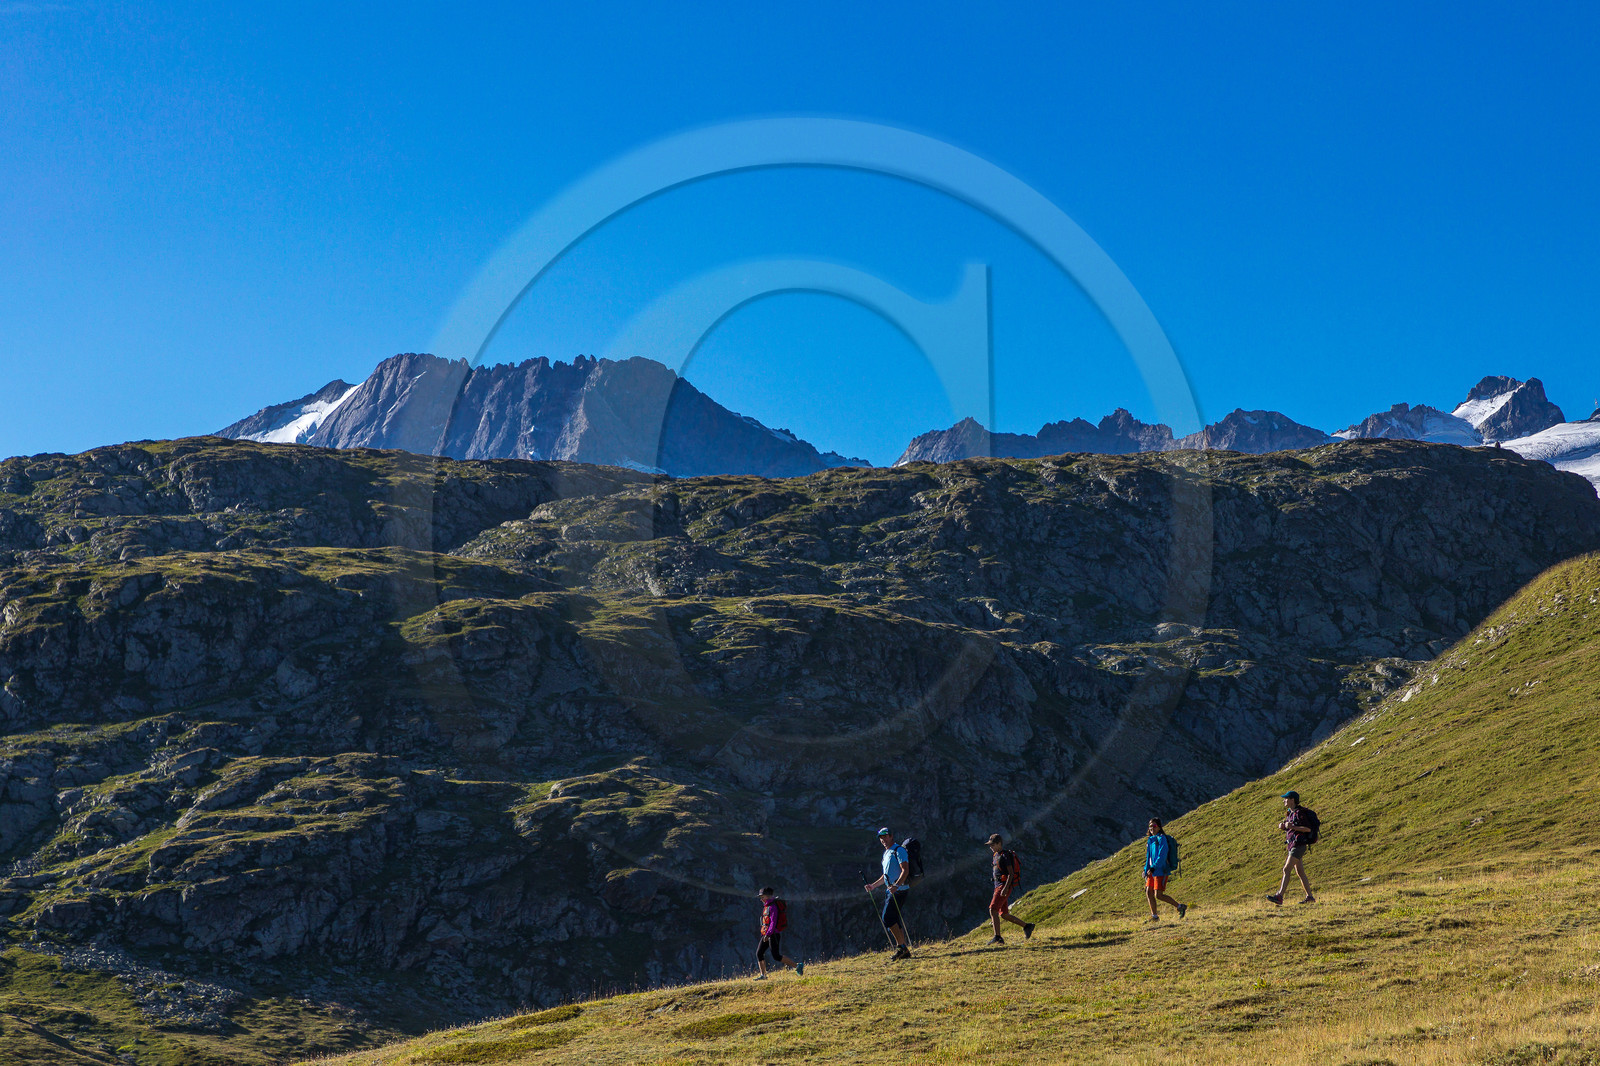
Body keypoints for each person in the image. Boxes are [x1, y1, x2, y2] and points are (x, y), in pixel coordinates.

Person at [863, 827, 913, 960]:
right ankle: (903, 950)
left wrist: (896, 885)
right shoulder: (887, 853)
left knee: (887, 918)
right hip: (891, 890)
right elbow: (885, 876)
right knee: (894, 919)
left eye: (885, 836)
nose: (883, 840)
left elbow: (905, 870)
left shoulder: (899, 850)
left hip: (899, 890)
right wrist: (873, 885)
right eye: (881, 837)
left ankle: (901, 948)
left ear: (891, 836)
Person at [1267, 790, 1318, 905]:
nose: (1284, 801)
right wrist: (1284, 827)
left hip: (1298, 845)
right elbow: (1292, 827)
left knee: (1286, 869)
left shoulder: (1299, 813)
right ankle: (1310, 897)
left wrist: (1292, 827)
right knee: (1300, 873)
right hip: (1293, 845)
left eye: (1286, 798)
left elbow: (1307, 829)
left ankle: (1279, 896)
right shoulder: (1291, 813)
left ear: (1292, 800)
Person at [985, 833, 1036, 945]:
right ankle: (1027, 926)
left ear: (999, 843)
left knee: (993, 910)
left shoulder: (1005, 855)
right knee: (1003, 914)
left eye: (992, 844)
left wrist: (1005, 888)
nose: (990, 847)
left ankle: (997, 937)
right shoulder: (996, 855)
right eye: (990, 845)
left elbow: (1011, 874)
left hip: (1003, 886)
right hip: (998, 886)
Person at [1142, 818, 1187, 922]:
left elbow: (1162, 856)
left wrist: (1153, 868)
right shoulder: (1151, 840)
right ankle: (1154, 917)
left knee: (1158, 895)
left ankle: (1180, 906)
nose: (1152, 828)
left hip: (1161, 871)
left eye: (1154, 826)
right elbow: (1148, 857)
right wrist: (1146, 869)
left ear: (1159, 827)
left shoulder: (1162, 839)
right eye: (1150, 826)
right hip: (1152, 871)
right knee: (1149, 891)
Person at [754, 886, 802, 979]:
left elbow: (773, 922)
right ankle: (763, 975)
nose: (761, 899)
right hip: (766, 934)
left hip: (773, 935)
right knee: (759, 953)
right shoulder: (767, 906)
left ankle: (797, 966)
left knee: (776, 956)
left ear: (768, 896)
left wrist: (768, 934)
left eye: (762, 897)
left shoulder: (772, 906)